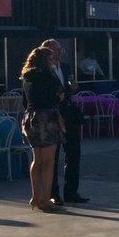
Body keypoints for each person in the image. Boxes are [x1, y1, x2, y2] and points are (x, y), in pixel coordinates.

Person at [20, 45, 65, 213]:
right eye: (51, 59)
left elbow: (25, 100)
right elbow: (59, 95)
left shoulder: (27, 75)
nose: (53, 62)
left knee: (36, 160)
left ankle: (35, 196)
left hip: (30, 118)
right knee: (49, 161)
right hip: (47, 118)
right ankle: (46, 199)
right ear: (45, 61)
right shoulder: (48, 75)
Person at [43, 39, 88, 204]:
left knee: (74, 152)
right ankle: (54, 193)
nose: (59, 53)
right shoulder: (43, 70)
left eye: (60, 49)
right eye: (55, 50)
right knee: (53, 156)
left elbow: (67, 88)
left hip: (68, 113)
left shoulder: (65, 67)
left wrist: (72, 88)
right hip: (52, 115)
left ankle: (71, 191)